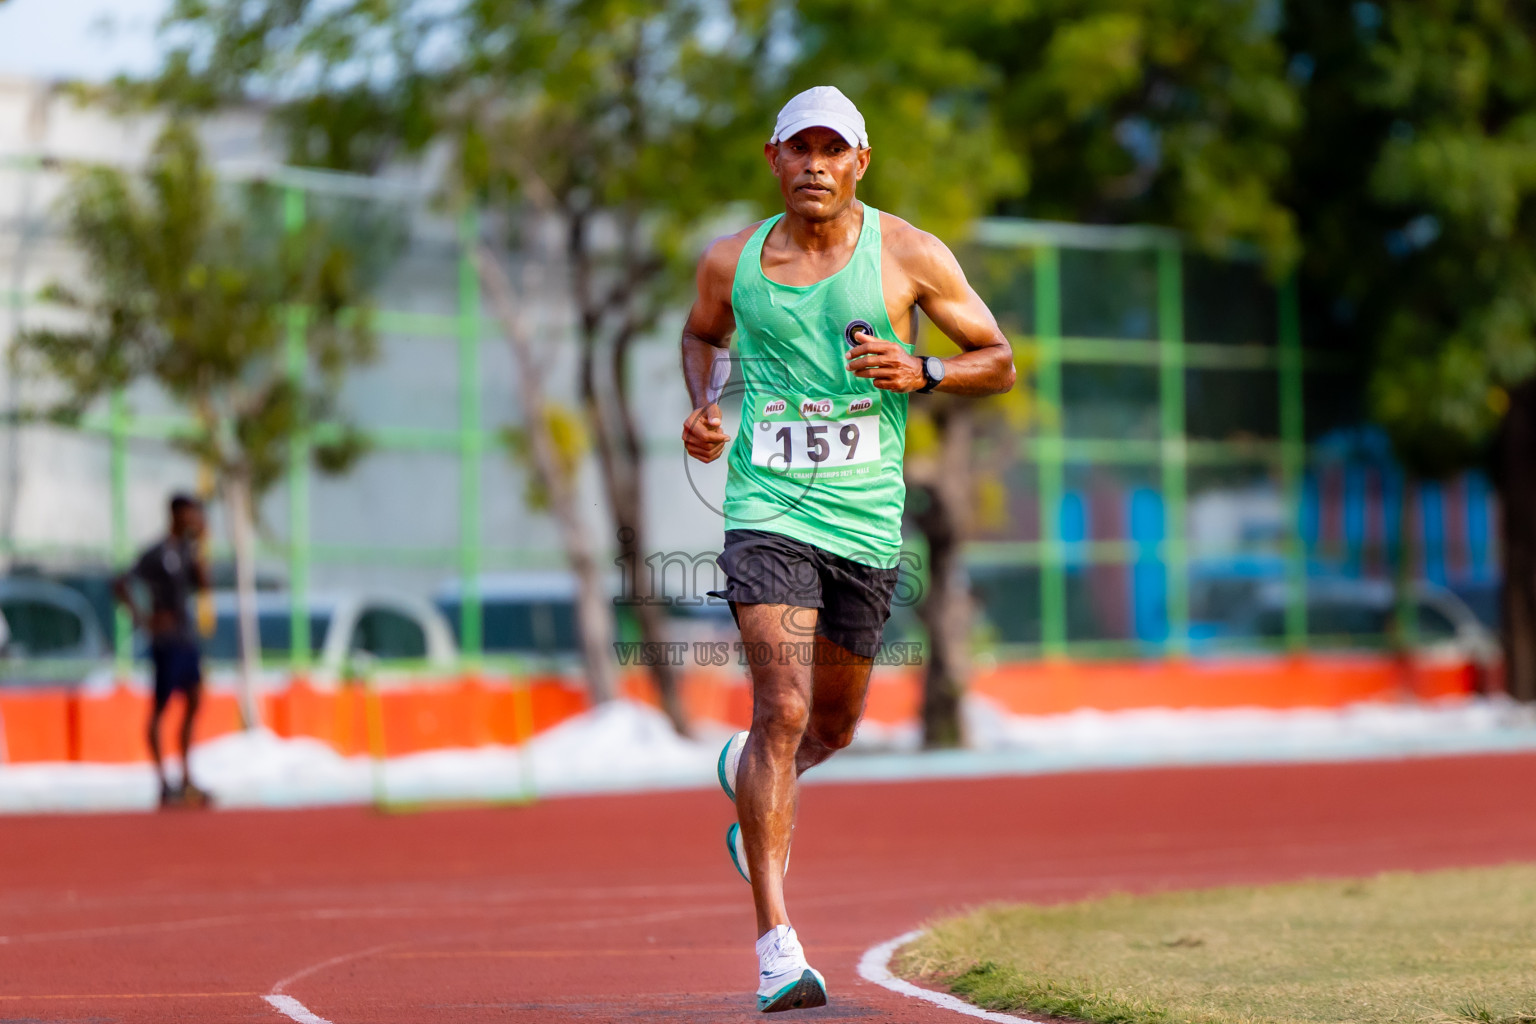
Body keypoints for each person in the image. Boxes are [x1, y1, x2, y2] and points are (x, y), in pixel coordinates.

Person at [679, 85, 1016, 1012]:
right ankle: (777, 949)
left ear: (862, 162)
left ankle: (748, 778)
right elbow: (701, 335)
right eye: (801, 149)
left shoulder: (907, 254)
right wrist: (706, 410)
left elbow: (999, 358)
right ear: (773, 159)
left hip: (865, 524)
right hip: (768, 509)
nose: (816, 164)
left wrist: (923, 369)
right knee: (781, 710)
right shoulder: (732, 263)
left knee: (830, 728)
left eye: (835, 150)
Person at [113, 494, 212, 808]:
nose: (193, 518)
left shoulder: (187, 551)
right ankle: (163, 782)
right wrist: (144, 619)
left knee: (195, 699)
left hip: (186, 638)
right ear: (175, 514)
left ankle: (186, 776)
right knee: (160, 708)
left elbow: (204, 586)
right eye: (189, 513)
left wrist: (201, 548)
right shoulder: (156, 553)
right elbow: (120, 583)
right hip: (165, 641)